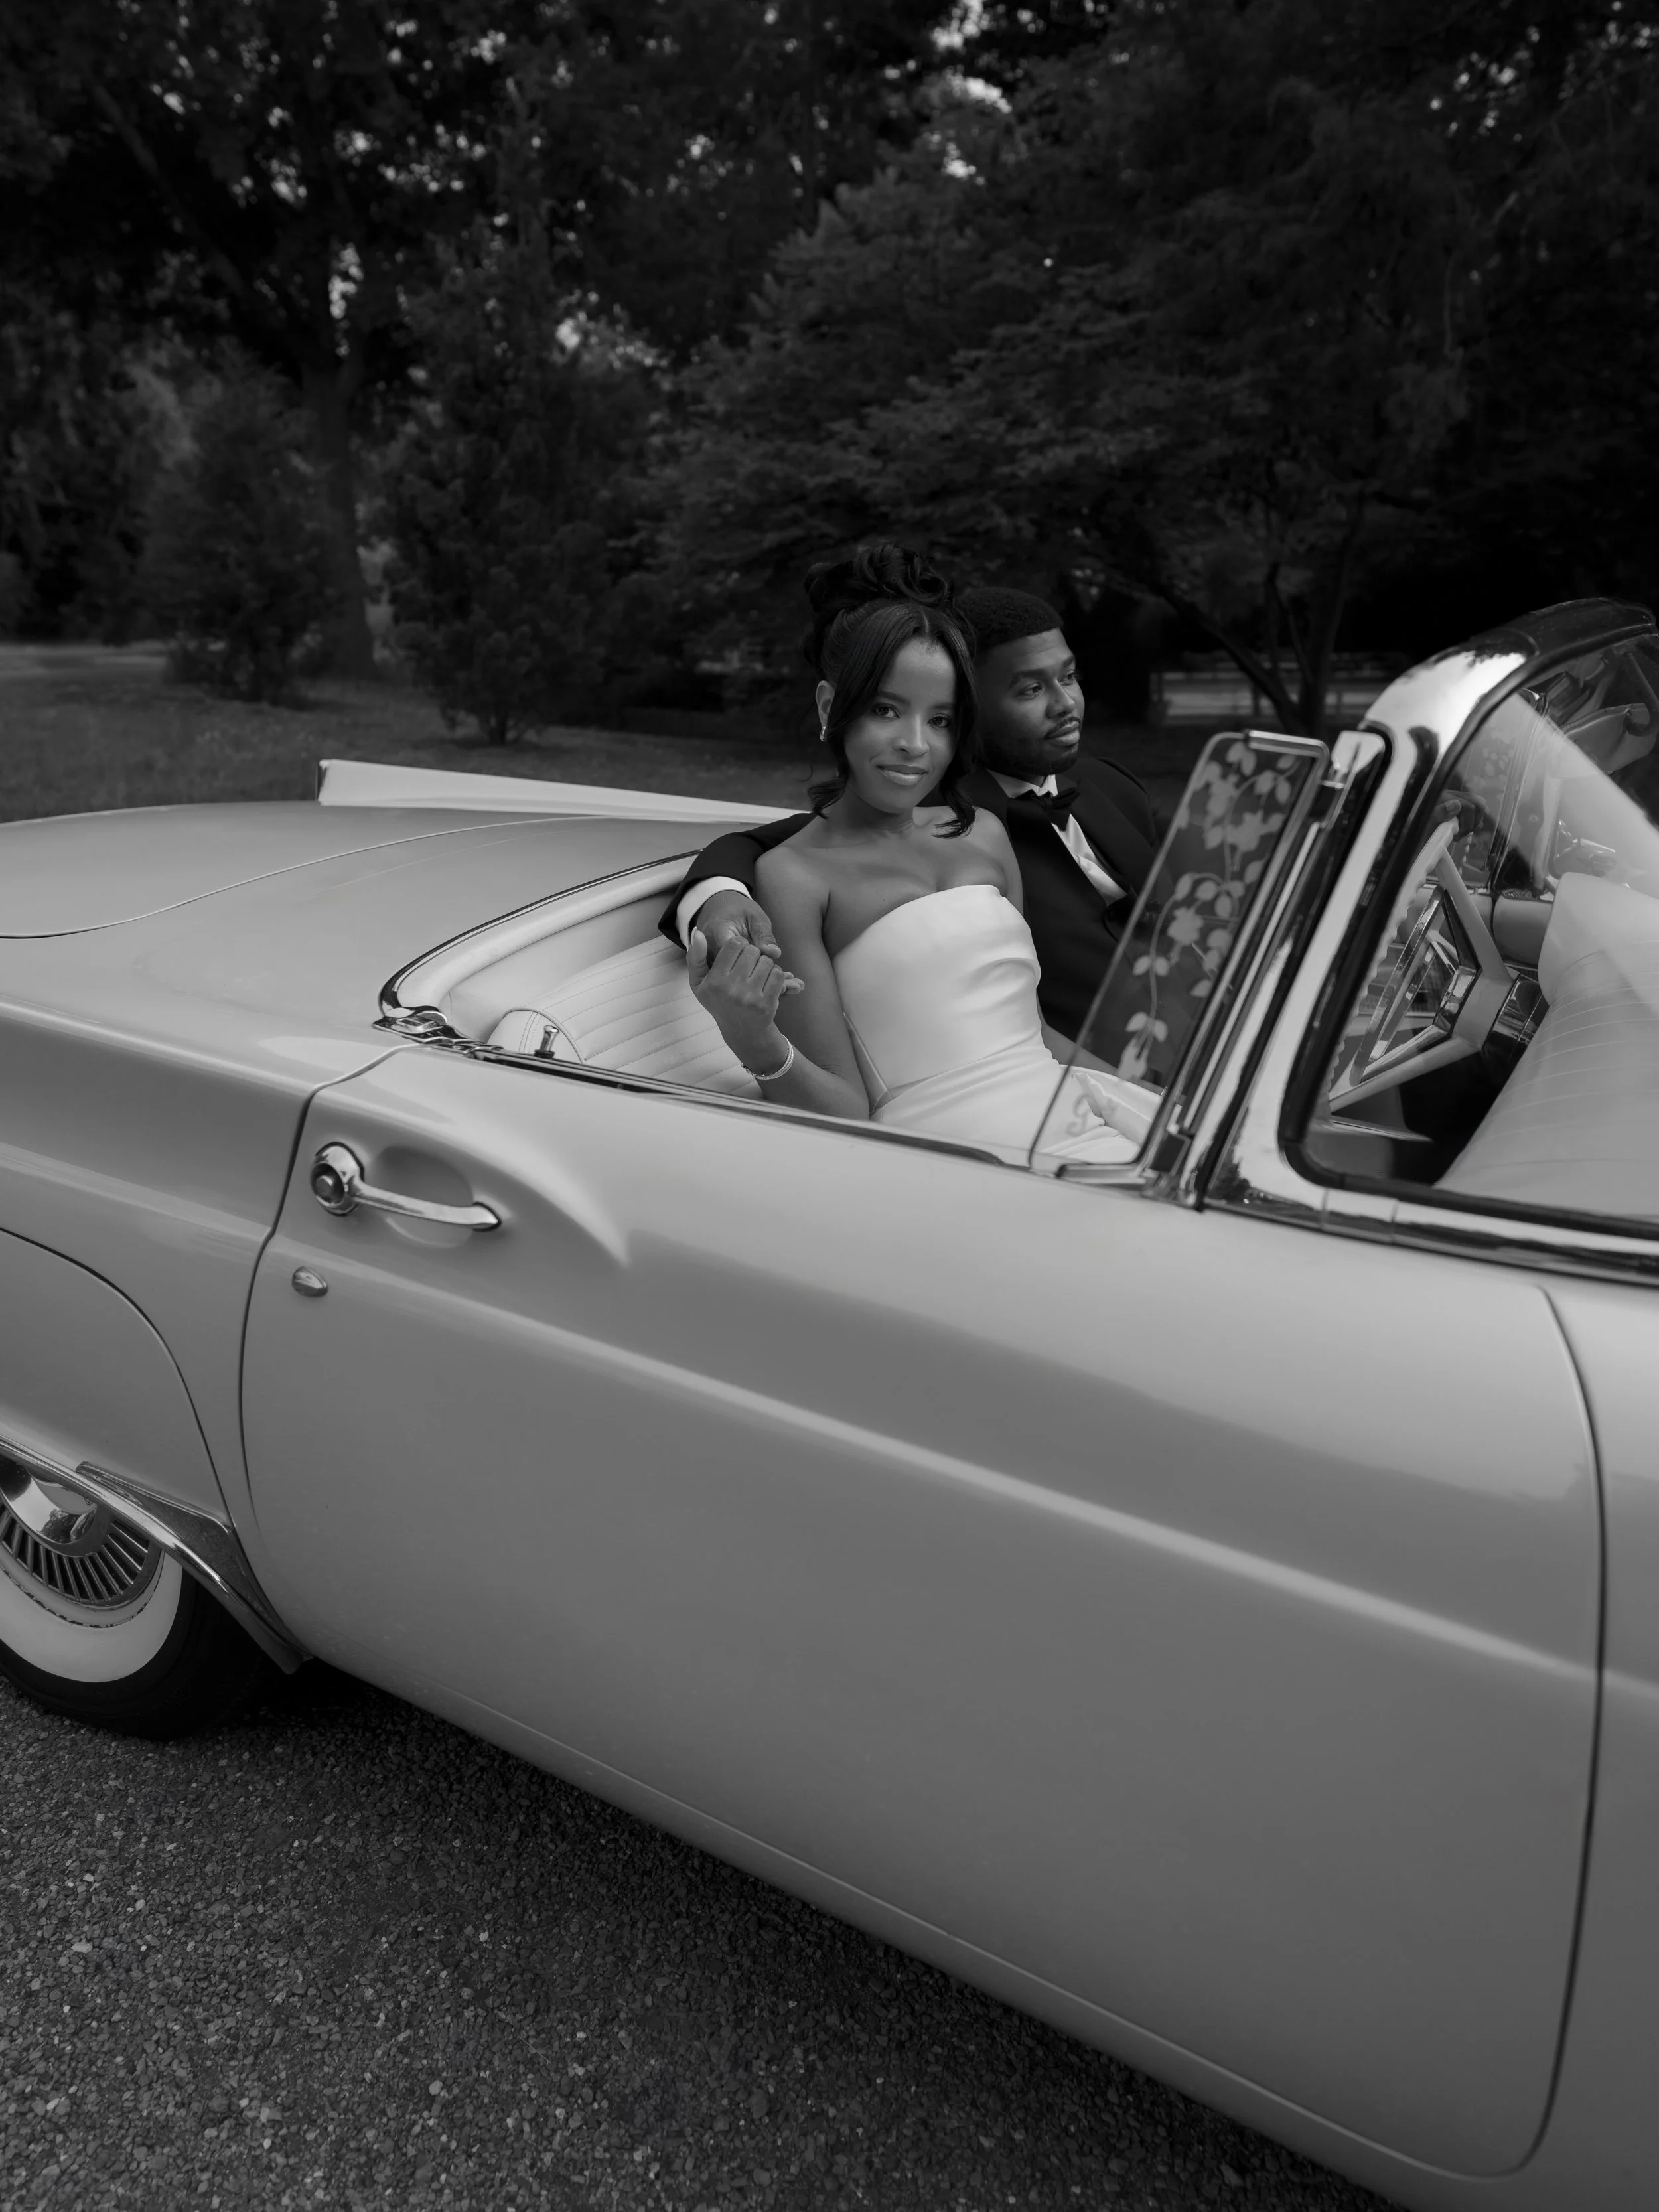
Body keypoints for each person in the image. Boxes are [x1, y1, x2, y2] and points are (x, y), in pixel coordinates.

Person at [685, 546, 1153, 1163]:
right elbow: (848, 1110)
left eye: (940, 720)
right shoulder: (793, 878)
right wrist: (755, 1041)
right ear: (831, 709)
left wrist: (1152, 1100)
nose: (914, 744)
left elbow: (1035, 1035)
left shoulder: (984, 832)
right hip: (957, 1156)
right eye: (886, 710)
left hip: (1073, 1109)